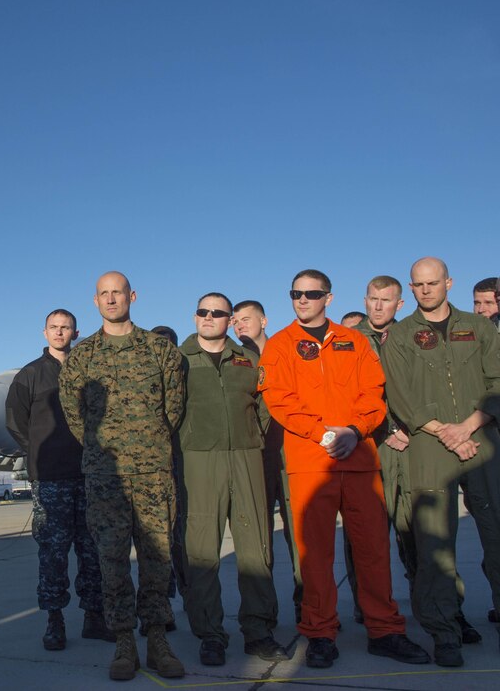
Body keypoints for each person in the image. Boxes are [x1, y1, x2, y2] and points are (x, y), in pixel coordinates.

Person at [259, 269, 429, 669]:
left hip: (359, 461)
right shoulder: (280, 345)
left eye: (311, 293)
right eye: (295, 293)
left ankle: (385, 630)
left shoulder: (354, 341)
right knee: (315, 556)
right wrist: (322, 434)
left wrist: (355, 430)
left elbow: (374, 392)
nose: (302, 300)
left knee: (373, 550)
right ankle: (320, 633)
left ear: (328, 298)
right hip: (310, 465)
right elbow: (279, 400)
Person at [59, 271, 186, 681]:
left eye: (118, 292)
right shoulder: (82, 358)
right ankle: (124, 643)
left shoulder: (160, 352)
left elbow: (173, 411)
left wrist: (146, 446)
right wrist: (105, 451)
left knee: (157, 560)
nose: (112, 299)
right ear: (94, 301)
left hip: (153, 475)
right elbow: (76, 420)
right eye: (104, 294)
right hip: (105, 479)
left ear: (132, 296)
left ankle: (157, 640)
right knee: (111, 562)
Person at [382, 257, 500, 667]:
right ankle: (444, 631)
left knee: (496, 531)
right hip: (429, 445)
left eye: (433, 282)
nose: (426, 290)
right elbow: (400, 397)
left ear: (449, 282)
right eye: (418, 285)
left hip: (481, 437)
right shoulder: (398, 337)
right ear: (411, 289)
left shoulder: (480, 327)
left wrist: (468, 426)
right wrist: (445, 432)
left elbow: (497, 381)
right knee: (435, 544)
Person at [177, 293, 288, 666]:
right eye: (203, 311)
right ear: (195, 317)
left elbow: (264, 406)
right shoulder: (177, 360)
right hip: (199, 460)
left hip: (246, 458)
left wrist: (251, 438)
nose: (209, 317)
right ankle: (210, 635)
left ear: (229, 320)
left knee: (256, 549)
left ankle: (258, 631)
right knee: (202, 553)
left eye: (218, 313)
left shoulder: (248, 359)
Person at [5, 309, 110, 650]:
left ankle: (94, 617)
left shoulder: (87, 372)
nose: (60, 332)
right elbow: (16, 422)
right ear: (45, 332)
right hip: (51, 480)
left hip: (89, 475)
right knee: (53, 553)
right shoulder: (30, 375)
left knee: (92, 550)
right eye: (54, 327)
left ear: (75, 333)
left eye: (66, 328)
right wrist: (40, 451)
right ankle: (55, 621)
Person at [233, 299, 301, 621]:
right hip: (257, 458)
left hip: (292, 453)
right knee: (260, 541)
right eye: (235, 321)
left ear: (264, 320)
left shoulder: (288, 351)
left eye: (246, 319)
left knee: (300, 536)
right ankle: (266, 612)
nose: (239, 325)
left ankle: (309, 606)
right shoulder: (236, 360)